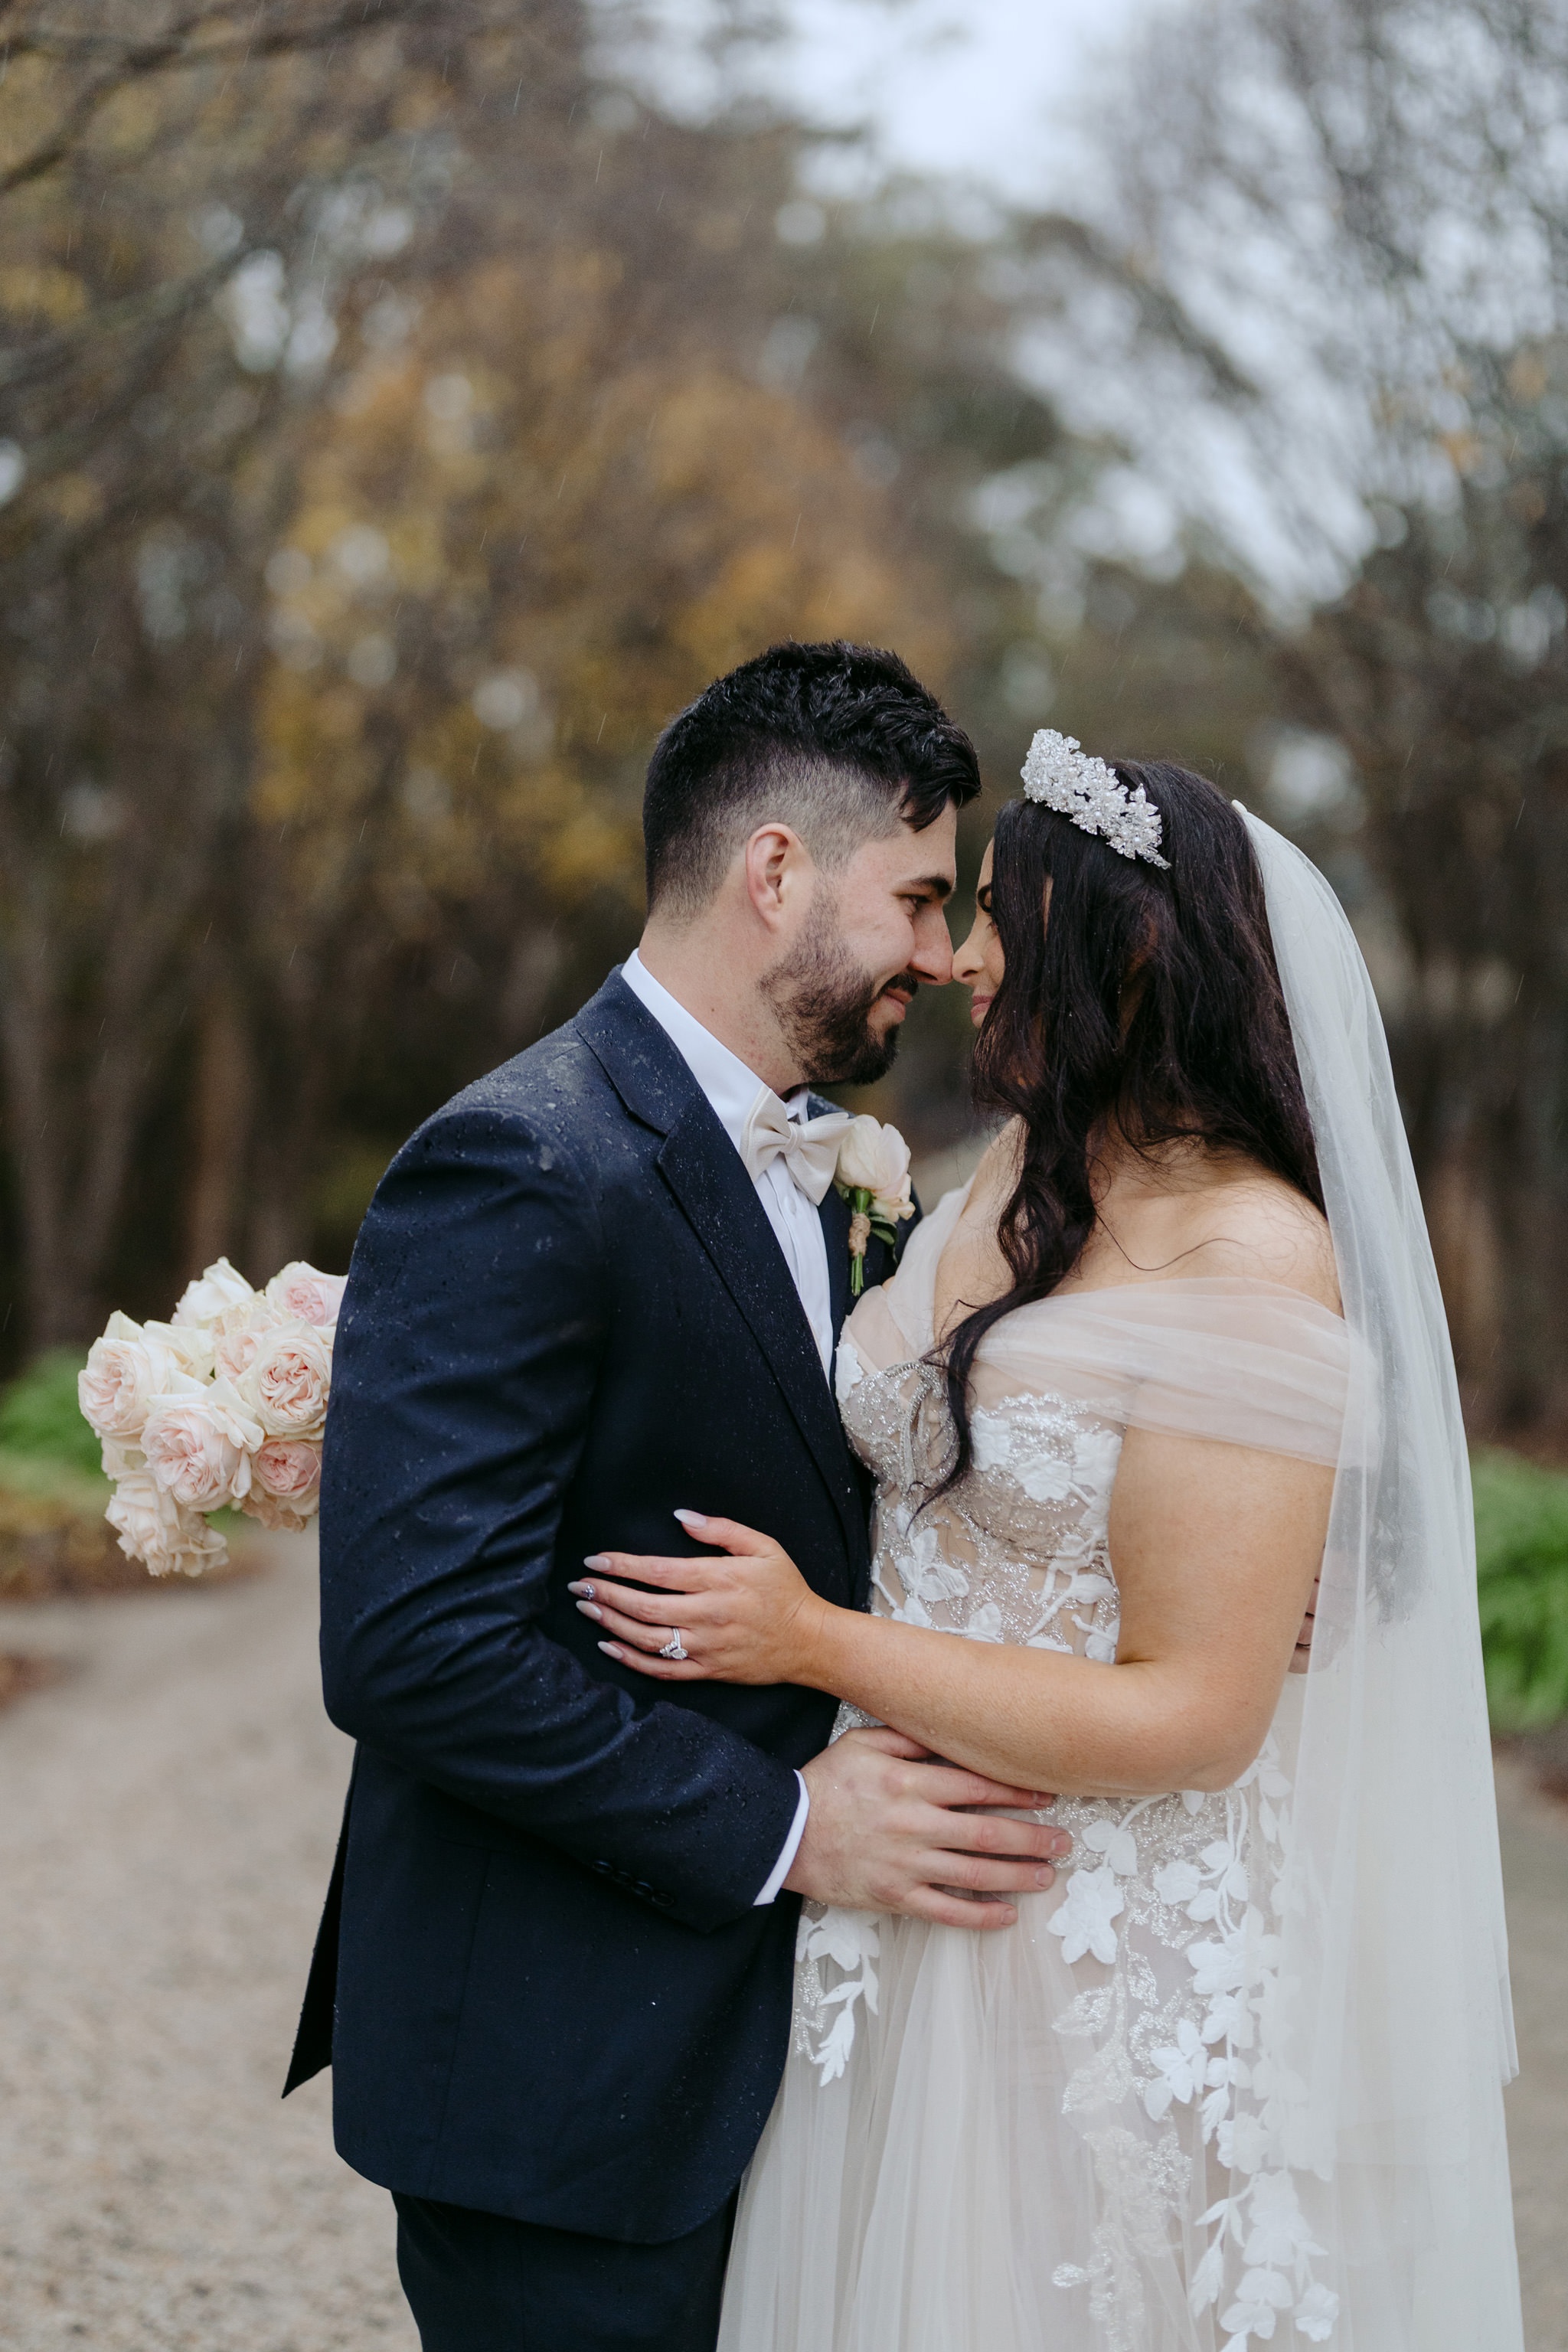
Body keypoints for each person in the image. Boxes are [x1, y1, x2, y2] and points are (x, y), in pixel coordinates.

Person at [575, 737, 1525, 2350]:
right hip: (891, 1911)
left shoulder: (1249, 1255)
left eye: (998, 918)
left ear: (1128, 953)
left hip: (1090, 1950)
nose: (959, 959)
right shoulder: (1015, 1177)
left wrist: (812, 1641)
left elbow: (1197, 1717)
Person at [283, 642, 1075, 2352]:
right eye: (919, 897)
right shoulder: (523, 1158)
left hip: (785, 2053)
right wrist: (787, 1826)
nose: (943, 957)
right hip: (565, 2063)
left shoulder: (841, 1176)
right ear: (774, 870)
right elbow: (414, 1646)